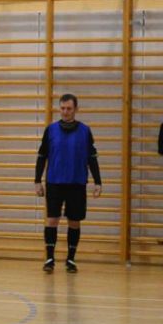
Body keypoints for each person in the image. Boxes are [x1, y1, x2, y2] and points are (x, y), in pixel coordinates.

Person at [33, 94, 102, 273]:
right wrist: (37, 181)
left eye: (69, 108)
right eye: (62, 108)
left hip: (76, 183)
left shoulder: (85, 131)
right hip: (54, 182)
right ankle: (49, 259)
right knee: (52, 220)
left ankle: (71, 259)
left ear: (76, 109)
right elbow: (41, 156)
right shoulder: (51, 130)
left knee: (74, 222)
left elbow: (92, 158)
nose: (65, 112)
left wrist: (98, 182)